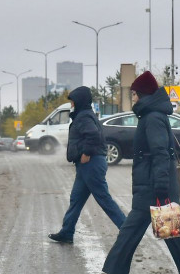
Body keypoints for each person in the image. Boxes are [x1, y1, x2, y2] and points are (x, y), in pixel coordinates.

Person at [88, 71, 180, 274]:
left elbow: (161, 152)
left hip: (154, 188)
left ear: (140, 94)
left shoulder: (152, 117)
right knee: (171, 235)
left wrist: (161, 186)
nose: (132, 99)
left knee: (130, 231)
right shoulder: (153, 115)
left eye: (133, 94)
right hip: (156, 186)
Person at [48, 86, 126, 244]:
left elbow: (93, 136)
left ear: (79, 101)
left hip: (91, 164)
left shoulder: (84, 117)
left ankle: (127, 230)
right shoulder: (84, 115)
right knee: (76, 199)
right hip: (87, 166)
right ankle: (67, 232)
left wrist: (86, 153)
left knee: (104, 199)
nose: (71, 105)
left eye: (72, 102)